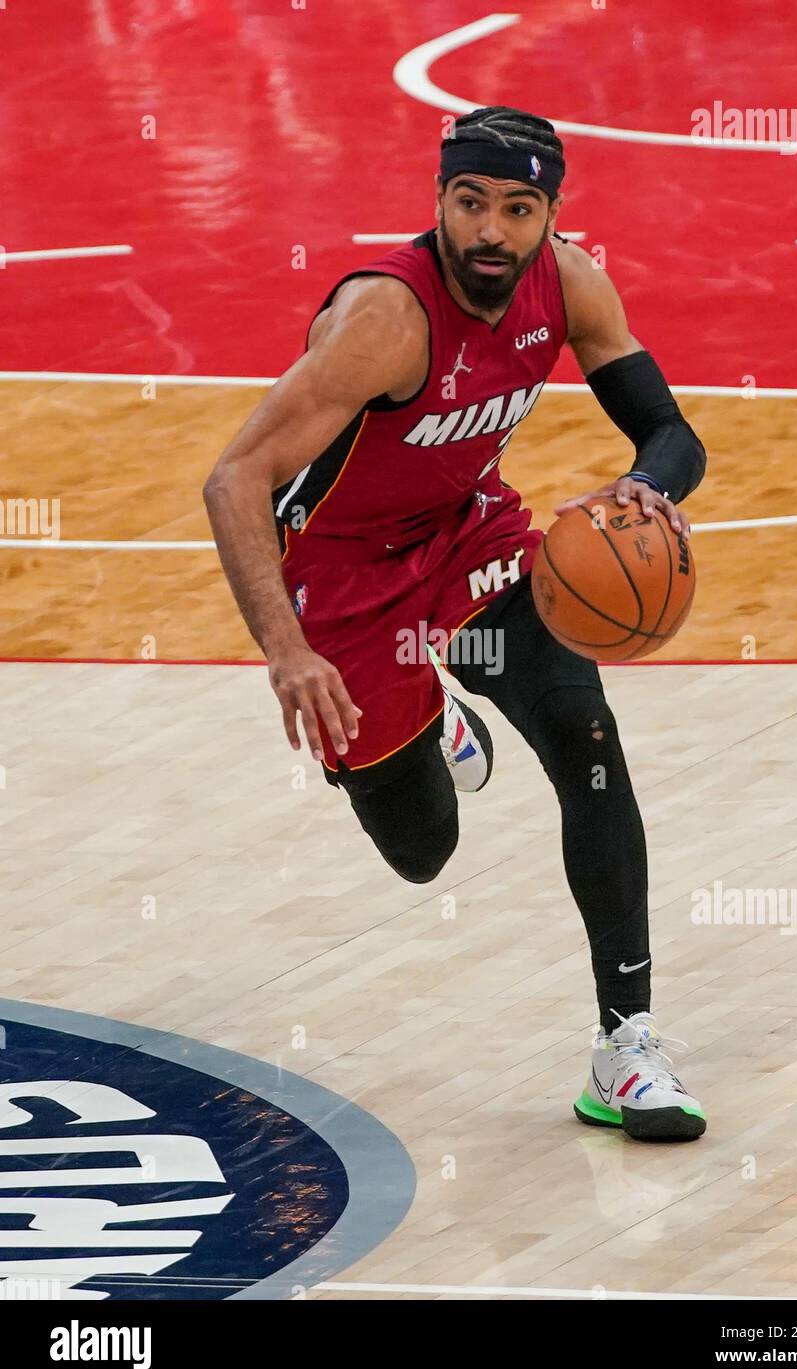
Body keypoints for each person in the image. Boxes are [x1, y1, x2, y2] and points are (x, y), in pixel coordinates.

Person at [204, 106, 708, 1141]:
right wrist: (287, 653)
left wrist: (644, 487)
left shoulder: (567, 283)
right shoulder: (386, 319)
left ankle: (629, 1046)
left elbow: (670, 430)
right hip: (340, 581)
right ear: (437, 201)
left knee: (587, 739)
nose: (490, 229)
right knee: (423, 850)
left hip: (468, 535)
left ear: (549, 216)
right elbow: (235, 477)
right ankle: (436, 719)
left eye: (517, 209)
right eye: (469, 202)